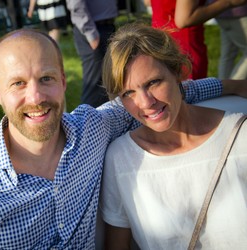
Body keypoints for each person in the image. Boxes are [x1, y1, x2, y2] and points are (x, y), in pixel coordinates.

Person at [0, 29, 244, 249]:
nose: (36, 97)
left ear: (64, 81)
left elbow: (160, 95)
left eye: (46, 79)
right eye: (18, 83)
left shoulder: (93, 128)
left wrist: (235, 85)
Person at [100, 22, 247, 249]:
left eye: (154, 82)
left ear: (178, 71)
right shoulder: (120, 159)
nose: (146, 103)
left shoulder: (241, 136)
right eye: (128, 93)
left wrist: (231, 86)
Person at [149, 0, 247, 79]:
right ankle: (231, 89)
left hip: (161, 37)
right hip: (184, 45)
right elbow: (184, 20)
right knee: (190, 93)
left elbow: (147, 2)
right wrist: (228, 2)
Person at [65, 0, 118, 107]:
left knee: (108, 82)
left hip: (105, 27)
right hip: (94, 30)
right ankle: (86, 121)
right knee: (94, 84)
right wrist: (90, 32)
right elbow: (76, 4)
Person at [209, 1, 247, 79]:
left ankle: (222, 88)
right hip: (239, 12)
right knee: (228, 53)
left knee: (228, 53)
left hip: (220, 12)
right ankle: (232, 87)